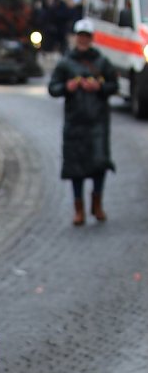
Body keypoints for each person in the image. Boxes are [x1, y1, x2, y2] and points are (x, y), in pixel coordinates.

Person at [48, 18, 118, 225]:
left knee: (99, 163)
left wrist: (99, 88)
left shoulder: (102, 61)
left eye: (86, 37)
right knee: (75, 166)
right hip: (75, 121)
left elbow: (114, 85)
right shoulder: (66, 62)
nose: (83, 40)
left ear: (91, 39)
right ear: (76, 37)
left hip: (98, 121)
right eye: (80, 36)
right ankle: (79, 208)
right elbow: (53, 88)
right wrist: (67, 87)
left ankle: (97, 203)